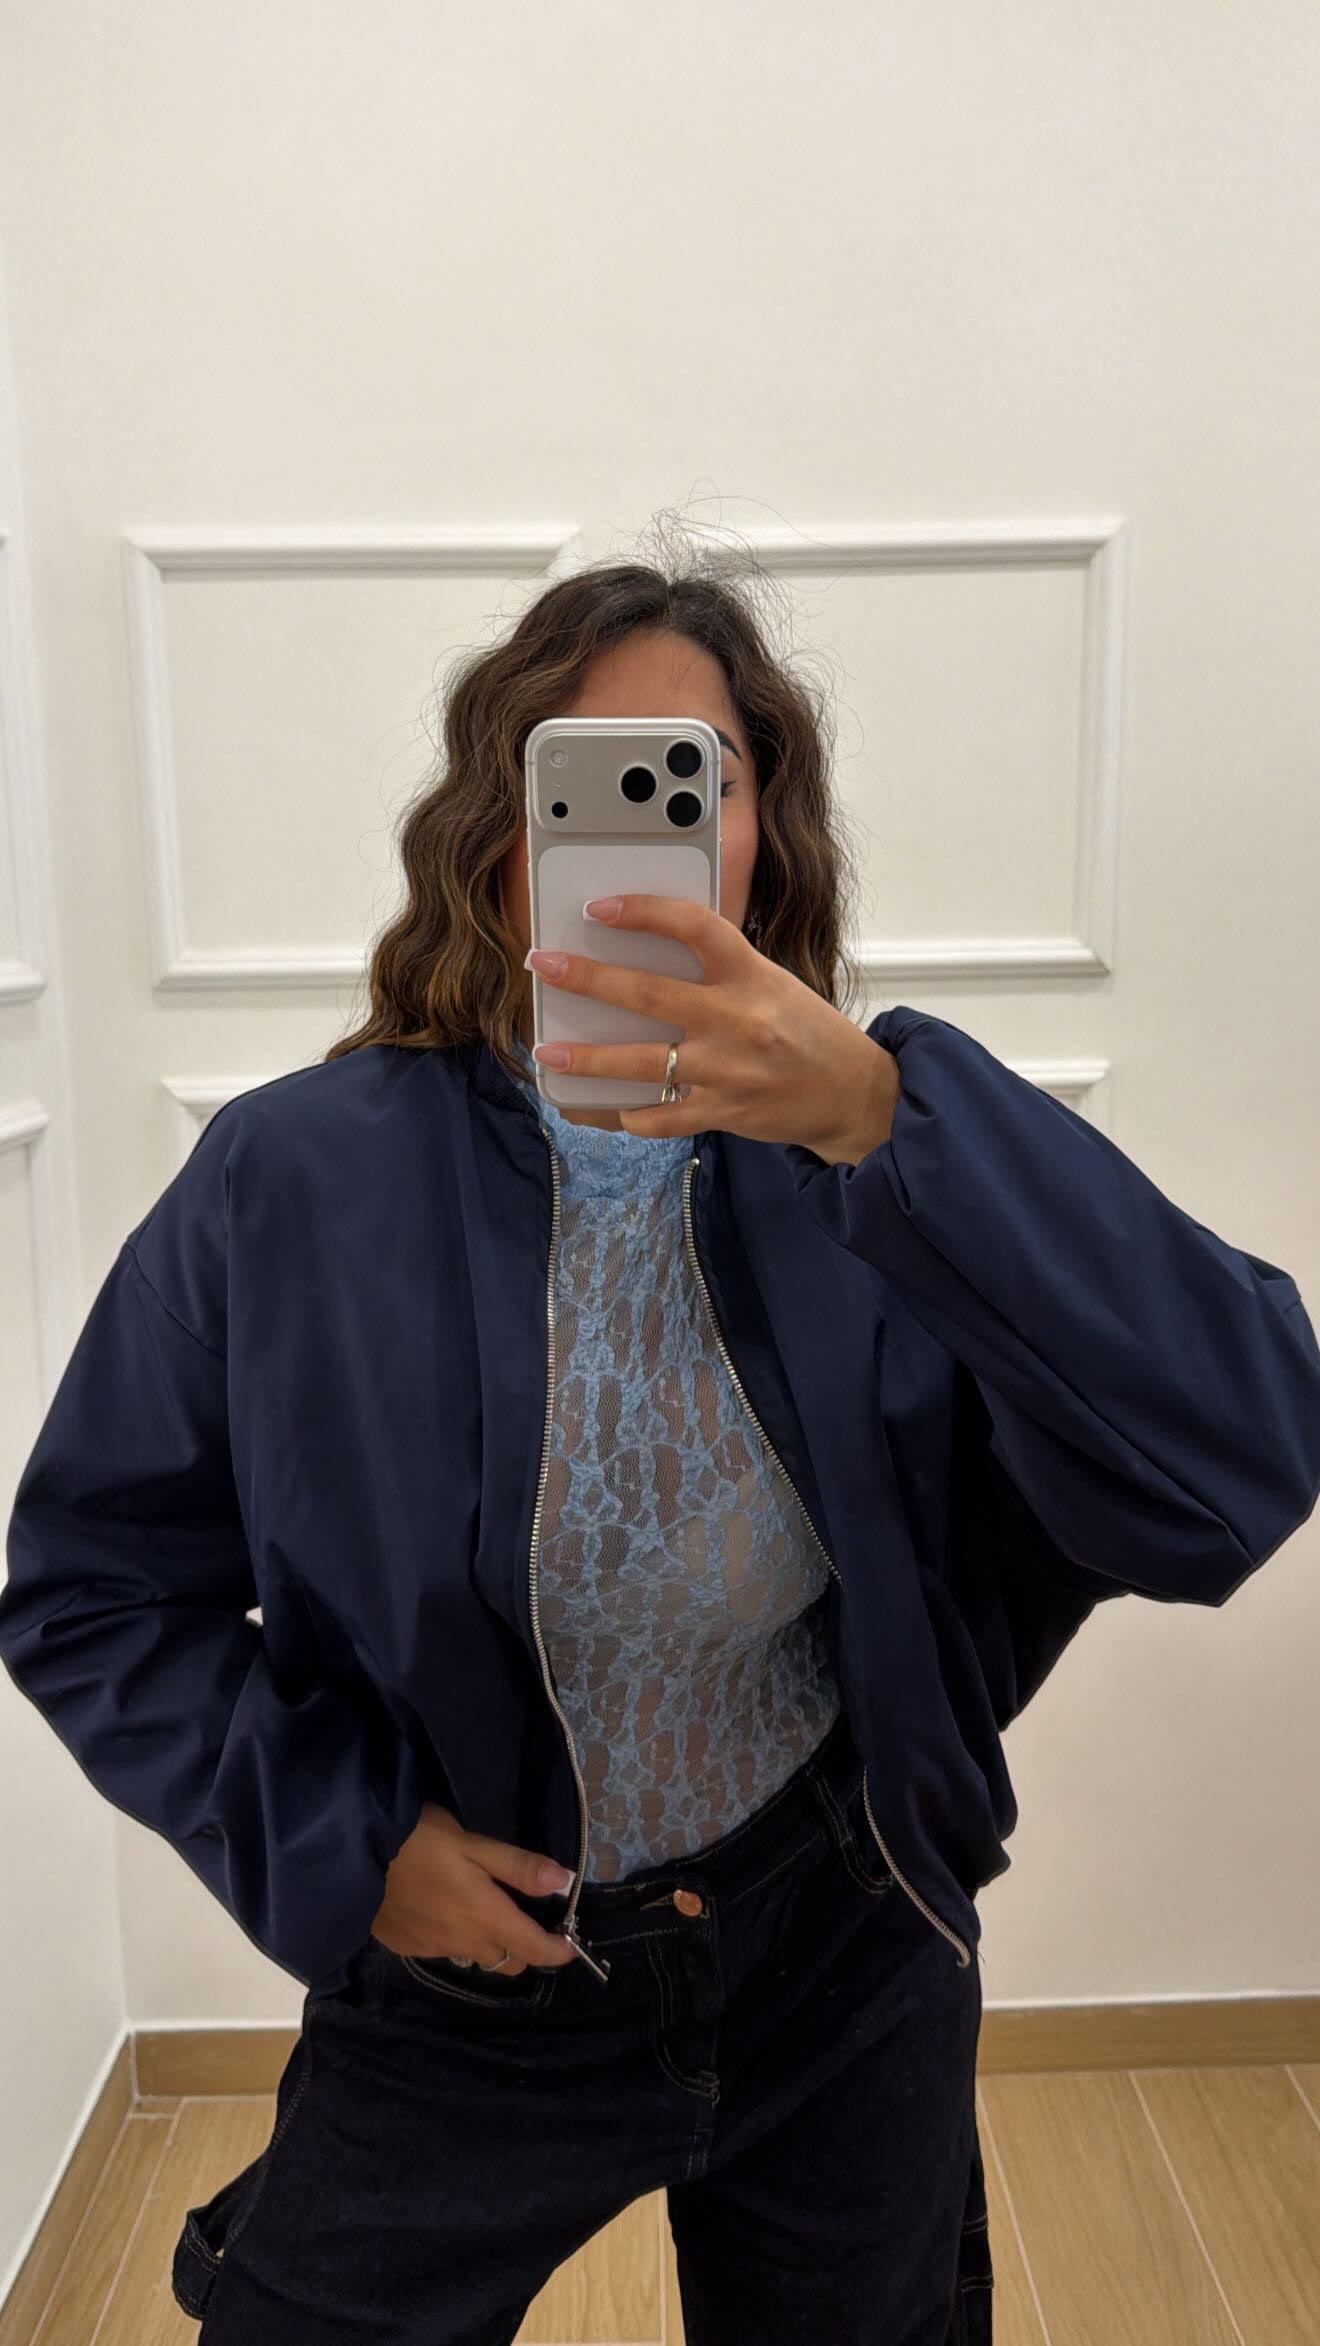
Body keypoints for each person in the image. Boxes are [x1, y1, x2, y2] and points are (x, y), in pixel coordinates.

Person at [3, 544, 1318, 2346]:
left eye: (693, 781)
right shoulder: (290, 1181)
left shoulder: (875, 1157)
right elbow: (86, 1590)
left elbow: (1245, 1444)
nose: (637, 837)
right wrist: (348, 1844)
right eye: (581, 782)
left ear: (764, 834)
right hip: (467, 1981)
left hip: (837, 1946)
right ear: (501, 833)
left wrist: (887, 1114)